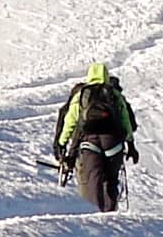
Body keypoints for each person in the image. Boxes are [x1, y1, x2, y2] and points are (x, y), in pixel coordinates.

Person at [52, 62, 139, 212]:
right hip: (113, 142)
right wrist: (131, 145)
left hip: (89, 141)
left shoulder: (82, 94)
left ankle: (94, 217)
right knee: (111, 182)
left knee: (92, 182)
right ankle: (111, 214)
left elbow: (70, 121)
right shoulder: (114, 94)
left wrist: (61, 143)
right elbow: (125, 120)